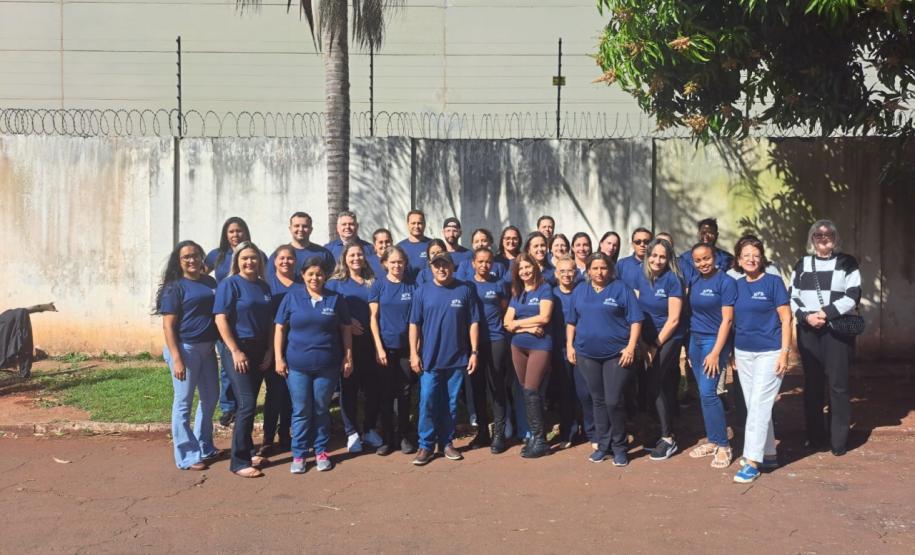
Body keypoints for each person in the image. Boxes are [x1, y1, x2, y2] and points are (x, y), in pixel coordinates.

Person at [274, 257, 353, 473]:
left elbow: (346, 329)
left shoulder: (335, 299)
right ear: (303, 275)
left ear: (325, 276)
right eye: (310, 274)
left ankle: (321, 452)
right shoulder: (292, 297)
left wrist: (348, 356)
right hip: (297, 366)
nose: (315, 278)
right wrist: (278, 358)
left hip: (327, 366)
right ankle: (299, 455)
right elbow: (280, 328)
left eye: (319, 274)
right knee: (300, 410)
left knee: (320, 409)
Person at [790, 219, 861, 457]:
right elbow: (793, 296)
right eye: (818, 234)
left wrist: (825, 313)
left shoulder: (847, 263)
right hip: (808, 330)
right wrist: (807, 317)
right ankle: (814, 436)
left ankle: (838, 439)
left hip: (835, 331)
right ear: (812, 239)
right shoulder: (802, 263)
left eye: (828, 233)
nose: (823, 237)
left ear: (835, 237)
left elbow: (853, 295)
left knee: (838, 385)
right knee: (812, 384)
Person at [566, 253, 643, 467]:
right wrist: (569, 345)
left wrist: (630, 347)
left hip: (616, 354)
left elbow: (636, 320)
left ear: (609, 270)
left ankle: (620, 447)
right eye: (595, 268)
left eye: (603, 268)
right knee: (597, 400)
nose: (599, 272)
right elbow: (571, 321)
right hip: (586, 354)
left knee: (613, 400)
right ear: (588, 270)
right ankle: (603, 445)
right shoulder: (580, 290)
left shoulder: (621, 289)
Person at [408, 252, 481, 465]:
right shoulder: (422, 291)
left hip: (457, 359)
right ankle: (425, 445)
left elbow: (473, 323)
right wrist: (413, 353)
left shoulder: (464, 289)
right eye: (437, 265)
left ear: (453, 266)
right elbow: (414, 324)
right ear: (431, 268)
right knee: (428, 402)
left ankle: (446, 443)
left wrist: (474, 352)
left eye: (445, 265)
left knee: (450, 404)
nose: (441, 269)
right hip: (430, 359)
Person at [731, 235, 792, 484]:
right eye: (746, 255)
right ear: (738, 259)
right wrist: (731, 355)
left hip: (770, 352)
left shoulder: (774, 282)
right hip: (743, 352)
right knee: (755, 405)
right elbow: (731, 320)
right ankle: (768, 453)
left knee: (758, 404)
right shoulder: (736, 285)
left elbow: (786, 318)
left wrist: (785, 353)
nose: (751, 259)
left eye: (755, 255)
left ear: (762, 258)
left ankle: (752, 461)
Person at [157, 240, 221, 471]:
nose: (192, 260)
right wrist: (176, 358)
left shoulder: (210, 282)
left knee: (211, 397)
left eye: (195, 255)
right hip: (185, 349)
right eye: (186, 257)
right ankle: (187, 455)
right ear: (179, 261)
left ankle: (204, 445)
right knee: (183, 402)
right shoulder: (175, 287)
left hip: (207, 348)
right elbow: (168, 326)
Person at [213, 241, 274, 478]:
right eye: (245, 258)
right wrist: (235, 351)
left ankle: (248, 450)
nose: (250, 262)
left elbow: (269, 321)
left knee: (246, 405)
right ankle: (238, 462)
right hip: (237, 350)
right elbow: (221, 319)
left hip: (260, 350)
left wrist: (269, 349)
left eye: (254, 258)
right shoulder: (230, 285)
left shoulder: (263, 286)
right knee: (247, 403)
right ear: (237, 261)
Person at [327, 242, 383, 453]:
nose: (356, 258)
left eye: (359, 254)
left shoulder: (373, 282)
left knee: (372, 389)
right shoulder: (335, 283)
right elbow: (329, 309)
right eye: (352, 255)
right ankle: (351, 433)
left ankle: (369, 429)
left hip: (371, 343)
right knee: (348, 389)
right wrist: (348, 321)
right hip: (347, 345)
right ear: (344, 258)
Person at [685, 242, 737, 469]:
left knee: (709, 393)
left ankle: (724, 445)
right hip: (695, 340)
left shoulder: (726, 282)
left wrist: (716, 352)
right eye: (698, 260)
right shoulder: (694, 281)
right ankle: (713, 439)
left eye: (706, 258)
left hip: (713, 342)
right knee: (702, 394)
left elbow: (727, 320)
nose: (703, 263)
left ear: (715, 257)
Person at [637, 238, 685, 461]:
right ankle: (661, 430)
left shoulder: (673, 280)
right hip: (646, 339)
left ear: (669, 259)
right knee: (658, 384)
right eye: (654, 255)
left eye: (662, 257)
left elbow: (674, 319)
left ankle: (668, 438)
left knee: (655, 382)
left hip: (668, 338)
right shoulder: (642, 275)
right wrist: (642, 342)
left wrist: (655, 345)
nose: (657, 260)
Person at [204, 216, 256, 427]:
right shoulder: (216, 256)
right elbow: (200, 275)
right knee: (227, 365)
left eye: (239, 231)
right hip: (224, 317)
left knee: (247, 366)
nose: (236, 235)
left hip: (248, 318)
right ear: (226, 234)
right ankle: (228, 407)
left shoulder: (255, 254)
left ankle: (245, 402)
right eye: (232, 231)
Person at [368, 245, 418, 455]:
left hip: (407, 349)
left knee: (405, 393)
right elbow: (373, 319)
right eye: (393, 262)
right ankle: (388, 438)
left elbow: (417, 320)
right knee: (386, 393)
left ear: (405, 264)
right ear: (385, 263)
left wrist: (416, 349)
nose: (397, 265)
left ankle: (404, 436)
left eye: (400, 262)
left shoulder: (412, 286)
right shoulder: (378, 285)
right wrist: (379, 348)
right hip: (385, 348)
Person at [504, 253, 554, 458]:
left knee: (532, 390)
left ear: (535, 267)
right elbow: (507, 323)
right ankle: (534, 436)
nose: (525, 271)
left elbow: (545, 317)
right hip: (518, 347)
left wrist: (519, 324)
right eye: (521, 269)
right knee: (526, 391)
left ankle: (541, 440)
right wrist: (529, 328)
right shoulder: (517, 293)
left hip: (540, 347)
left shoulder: (545, 289)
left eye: (528, 267)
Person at [466, 247, 512, 453]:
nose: (484, 265)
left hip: (496, 340)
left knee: (496, 386)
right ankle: (482, 432)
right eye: (480, 262)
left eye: (488, 262)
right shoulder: (467, 285)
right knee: (477, 388)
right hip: (474, 343)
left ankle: (499, 434)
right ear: (473, 263)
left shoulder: (499, 284)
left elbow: (504, 307)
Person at [551, 256, 593, 449]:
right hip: (559, 351)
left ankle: (591, 430)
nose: (567, 275)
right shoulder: (551, 295)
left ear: (576, 273)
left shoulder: (584, 292)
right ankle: (568, 432)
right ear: (556, 274)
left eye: (571, 271)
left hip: (583, 349)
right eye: (563, 271)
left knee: (585, 392)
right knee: (565, 392)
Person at [259, 244, 296, 456]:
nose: (285, 262)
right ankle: (267, 438)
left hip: (296, 346)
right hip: (272, 347)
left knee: (290, 394)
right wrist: (271, 351)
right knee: (274, 393)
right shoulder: (267, 285)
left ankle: (285, 433)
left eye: (290, 258)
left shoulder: (302, 284)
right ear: (274, 261)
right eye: (281, 258)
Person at [271, 212, 335, 276]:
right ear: (290, 229)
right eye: (297, 226)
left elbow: (332, 281)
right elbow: (270, 279)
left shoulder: (324, 254)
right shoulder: (279, 255)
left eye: (305, 226)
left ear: (311, 229)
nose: (300, 229)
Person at [397, 209, 432, 280]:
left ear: (424, 224)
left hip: (427, 287)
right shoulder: (399, 247)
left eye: (419, 223)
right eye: (413, 223)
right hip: (407, 288)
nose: (416, 226)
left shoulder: (433, 245)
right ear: (407, 225)